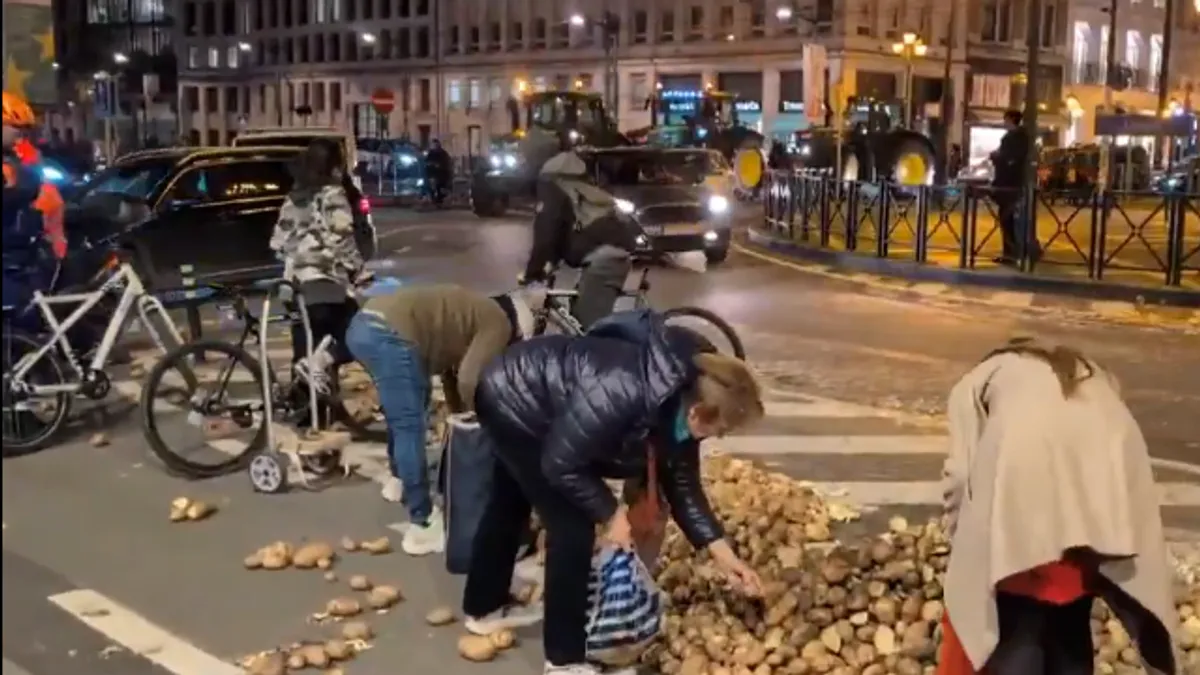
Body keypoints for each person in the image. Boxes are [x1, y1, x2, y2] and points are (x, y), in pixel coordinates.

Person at [461, 309, 766, 675]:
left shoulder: (680, 400)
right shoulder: (626, 389)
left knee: (510, 500)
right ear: (699, 413)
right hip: (513, 397)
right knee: (572, 528)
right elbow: (561, 462)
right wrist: (610, 513)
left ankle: (484, 607)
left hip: (534, 402)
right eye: (722, 430)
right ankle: (563, 659)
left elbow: (682, 483)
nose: (720, 437)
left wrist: (723, 554)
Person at [936, 337, 1178, 675]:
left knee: (1017, 647)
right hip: (1082, 559)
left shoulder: (980, 380)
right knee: (1068, 642)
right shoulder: (1096, 378)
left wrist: (963, 547)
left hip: (1018, 566)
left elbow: (961, 476)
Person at [344, 284, 540, 555]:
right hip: (392, 336)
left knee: (403, 410)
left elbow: (451, 374)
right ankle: (422, 524)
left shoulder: (470, 311)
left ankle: (399, 481)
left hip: (364, 327)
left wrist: (460, 416)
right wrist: (485, 422)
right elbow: (469, 380)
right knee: (410, 426)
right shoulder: (499, 322)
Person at [269, 138, 366, 405]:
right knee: (358, 336)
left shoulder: (295, 196)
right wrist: (357, 270)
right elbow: (342, 237)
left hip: (294, 285)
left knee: (305, 349)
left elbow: (277, 243)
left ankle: (307, 410)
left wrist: (298, 258)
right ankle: (322, 366)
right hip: (325, 283)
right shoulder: (332, 194)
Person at [522, 149, 642, 330]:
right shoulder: (579, 187)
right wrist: (549, 264)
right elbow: (561, 231)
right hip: (611, 254)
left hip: (605, 260)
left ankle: (607, 347)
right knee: (577, 314)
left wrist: (532, 274)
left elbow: (547, 233)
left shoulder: (553, 188)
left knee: (588, 327)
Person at [3, 93, 58, 321]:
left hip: (22, 254)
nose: (21, 135)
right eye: (16, 128)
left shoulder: (13, 158)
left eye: (24, 130)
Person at [988, 110, 1041, 266]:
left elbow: (1011, 159)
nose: (1004, 123)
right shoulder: (1018, 137)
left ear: (1011, 120)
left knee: (1009, 220)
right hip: (1010, 183)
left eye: (1005, 120)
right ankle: (1010, 253)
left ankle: (1012, 253)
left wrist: (997, 157)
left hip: (1009, 184)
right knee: (1008, 220)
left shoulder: (1016, 138)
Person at [424, 139, 453, 206]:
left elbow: (445, 163)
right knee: (432, 187)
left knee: (440, 187)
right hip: (432, 174)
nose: (434, 146)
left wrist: (438, 165)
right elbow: (426, 162)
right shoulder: (430, 153)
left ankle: (439, 200)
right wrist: (429, 165)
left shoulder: (442, 153)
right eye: (433, 145)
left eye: (435, 145)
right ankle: (434, 200)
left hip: (441, 174)